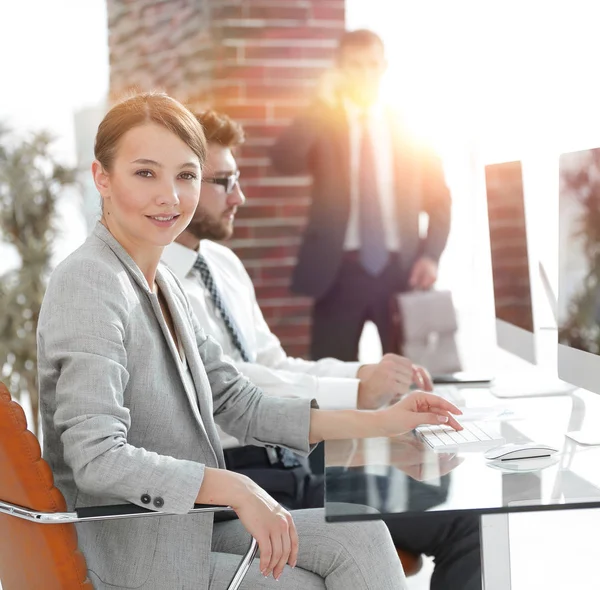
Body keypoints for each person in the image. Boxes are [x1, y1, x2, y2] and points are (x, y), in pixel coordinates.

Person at [38, 92, 462, 590]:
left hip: (188, 529)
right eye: (146, 173)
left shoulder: (164, 282)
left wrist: (384, 422)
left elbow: (239, 401)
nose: (170, 196)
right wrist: (236, 487)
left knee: (363, 532)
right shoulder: (89, 282)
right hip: (131, 550)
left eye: (187, 175)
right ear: (102, 178)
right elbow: (96, 456)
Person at [163, 109, 482, 590]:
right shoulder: (158, 284)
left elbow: (273, 363)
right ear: (180, 182)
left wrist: (366, 373)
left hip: (295, 464)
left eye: (238, 179)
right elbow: (237, 387)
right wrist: (356, 390)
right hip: (244, 475)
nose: (239, 197)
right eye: (224, 182)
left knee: (463, 515)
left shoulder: (222, 264)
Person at [270, 29, 452, 363]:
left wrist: (431, 256)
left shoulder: (409, 124)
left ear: (384, 66)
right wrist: (320, 105)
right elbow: (283, 160)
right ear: (339, 69)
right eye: (355, 65)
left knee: (412, 380)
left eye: (372, 64)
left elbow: (439, 200)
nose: (365, 74)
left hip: (402, 271)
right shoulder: (325, 122)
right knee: (332, 381)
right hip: (338, 272)